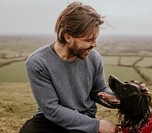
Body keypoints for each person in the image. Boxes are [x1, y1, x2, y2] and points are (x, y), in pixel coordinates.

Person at [19, 1, 120, 133]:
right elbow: (52, 109)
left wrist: (124, 98)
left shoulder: (94, 58)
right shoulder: (38, 62)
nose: (95, 45)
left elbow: (99, 91)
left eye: (95, 39)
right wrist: (98, 125)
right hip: (49, 120)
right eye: (89, 40)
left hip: (83, 118)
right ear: (68, 37)